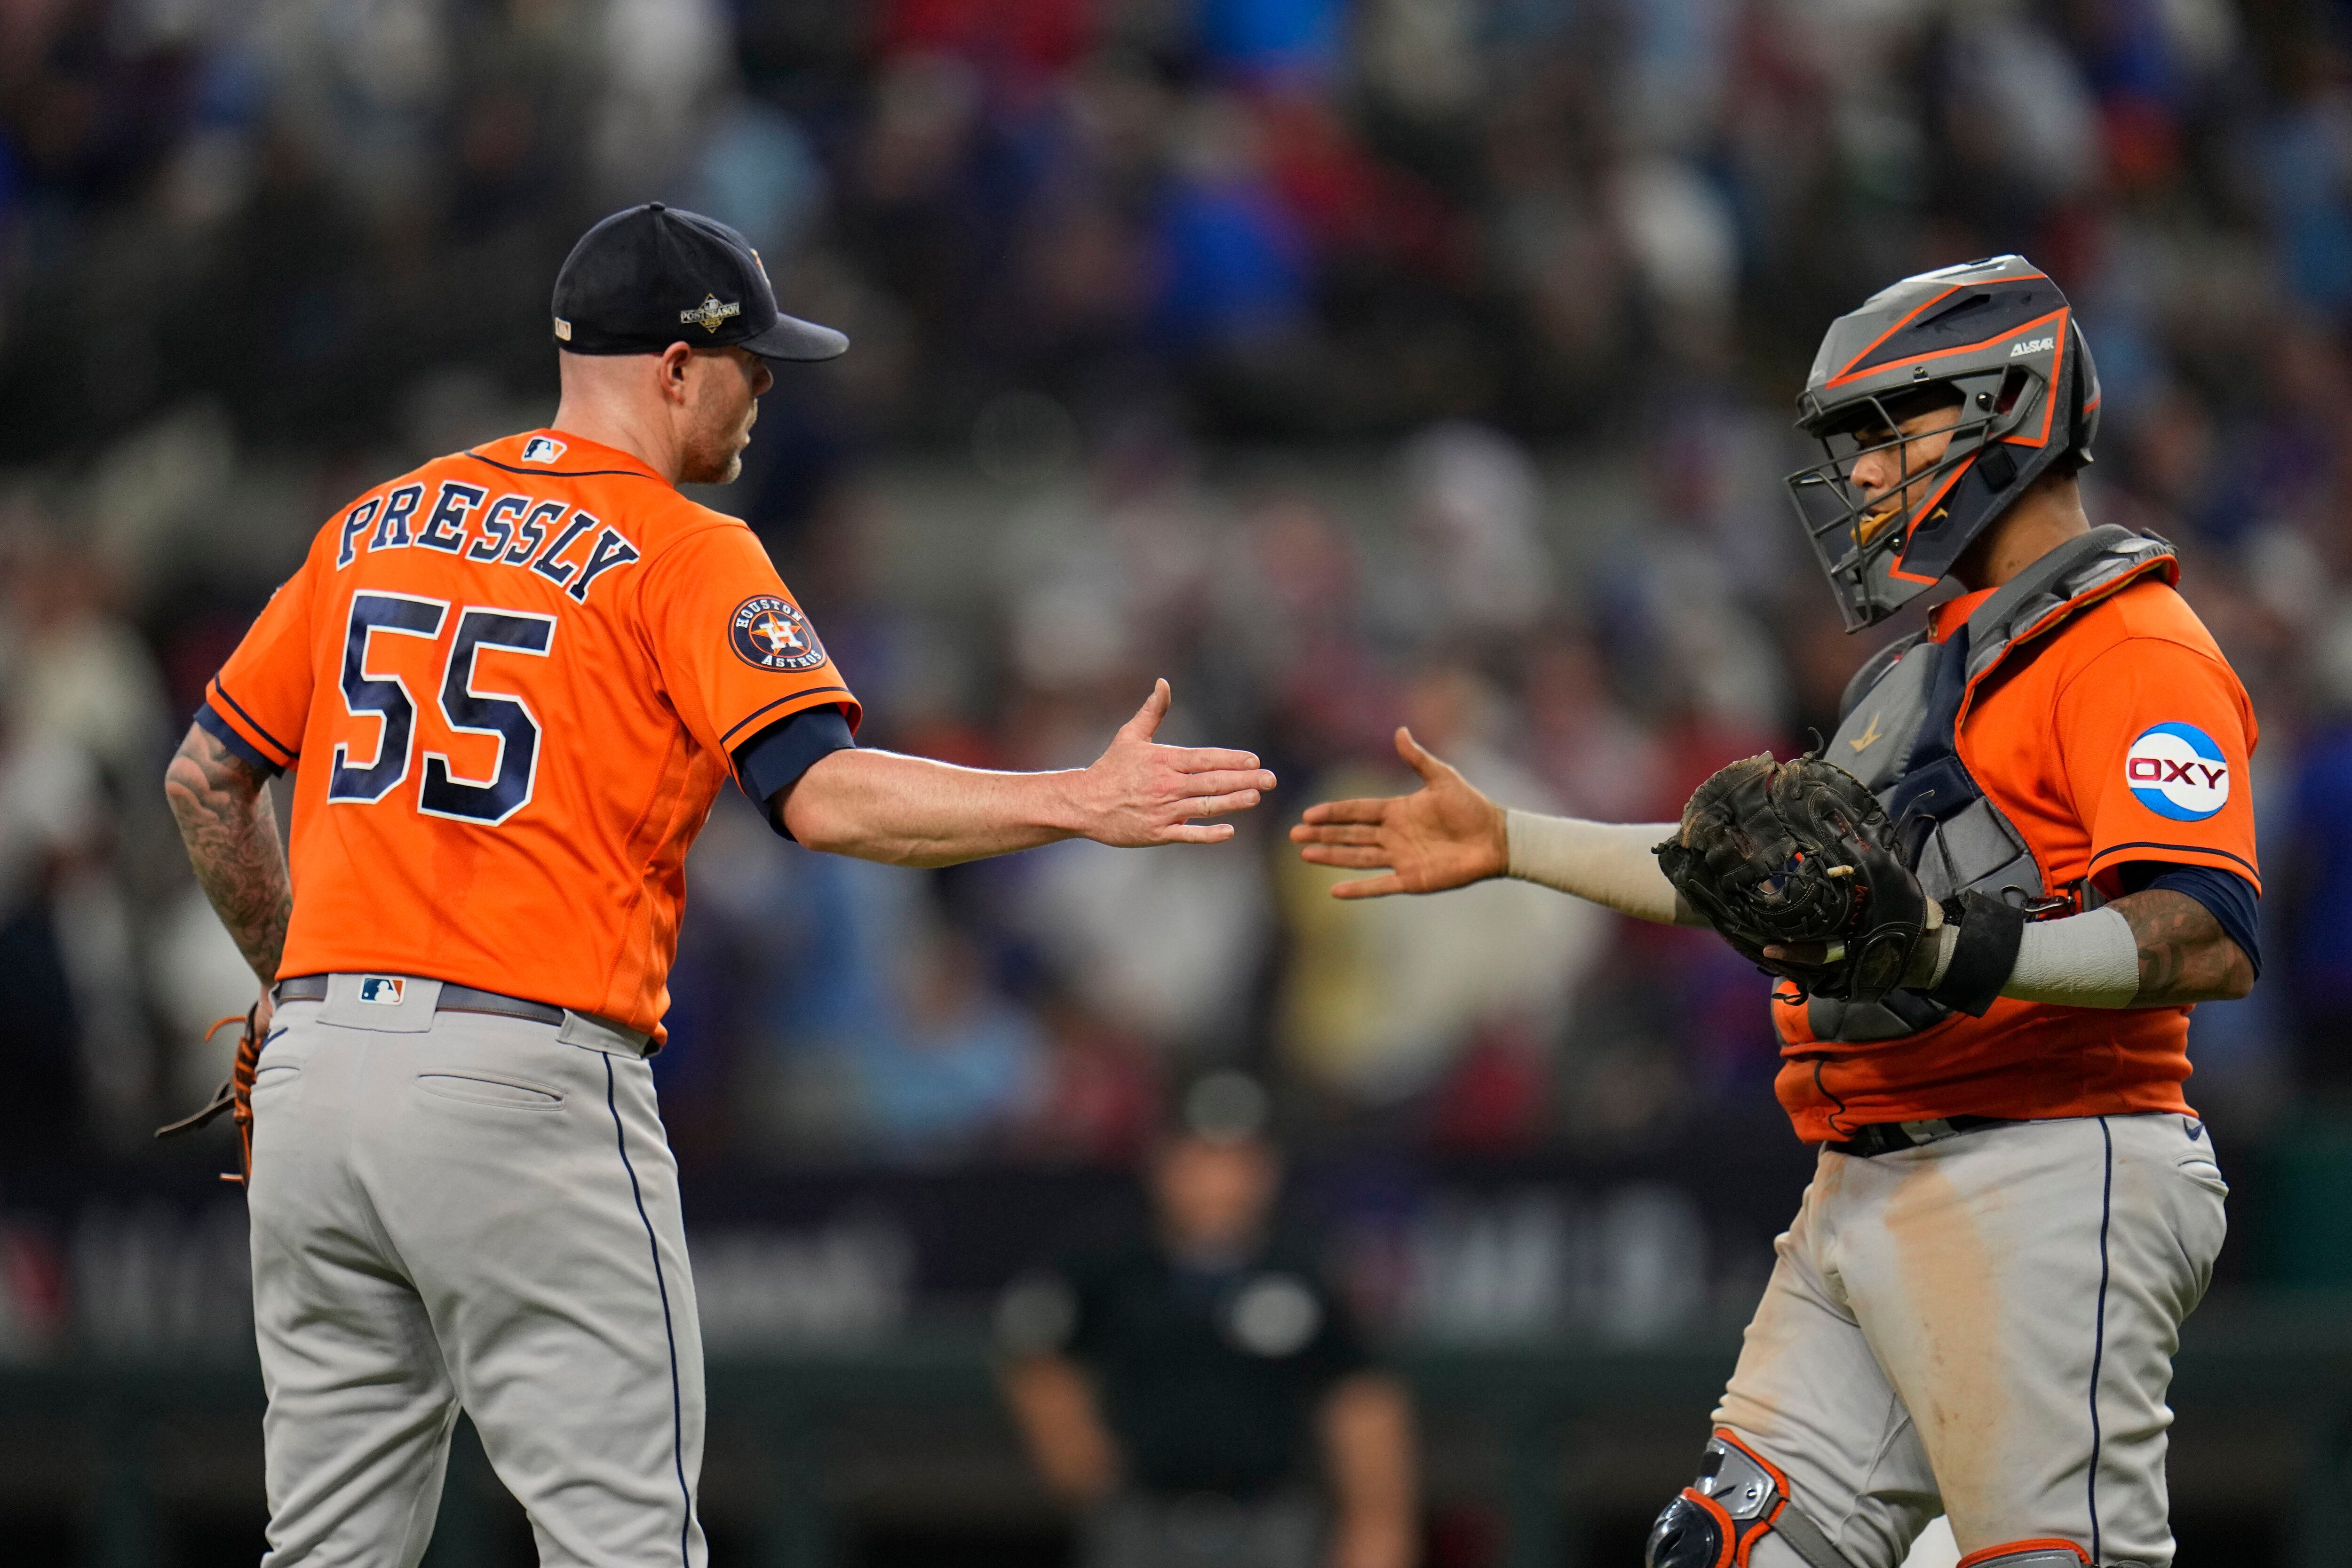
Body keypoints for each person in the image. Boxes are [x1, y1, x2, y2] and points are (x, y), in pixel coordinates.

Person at [163, 201, 1277, 1568]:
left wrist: (297, 986)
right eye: (752, 358)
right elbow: (822, 793)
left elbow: (206, 781)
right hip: (521, 1076)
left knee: (326, 1553)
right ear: (676, 367)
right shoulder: (687, 548)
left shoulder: (372, 524)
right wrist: (1072, 799)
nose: (767, 387)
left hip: (318, 1079)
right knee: (625, 1549)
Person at [1291, 257, 2256, 1568]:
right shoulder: (1930, 663)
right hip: (1873, 1170)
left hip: (2048, 1163)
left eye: (1885, 430)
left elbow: (2202, 931)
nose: (1861, 475)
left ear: (2003, 409)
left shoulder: (2132, 647)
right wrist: (1515, 841)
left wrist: (1947, 945)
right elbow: (1755, 881)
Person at [995, 1071, 1418, 1568]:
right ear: (1162, 1163)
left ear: (1267, 1168)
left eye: (1236, 1161)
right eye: (1199, 1159)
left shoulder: (1306, 1269)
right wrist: (1074, 1454)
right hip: (1142, 1516)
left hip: (1271, 1518)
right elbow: (1030, 1340)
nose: (1217, 1182)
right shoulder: (1110, 1263)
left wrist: (1376, 1532)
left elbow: (1363, 1404)